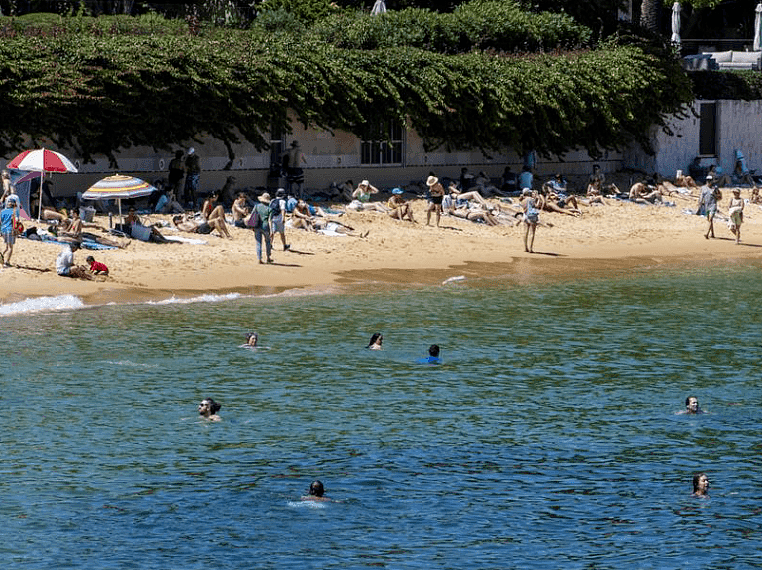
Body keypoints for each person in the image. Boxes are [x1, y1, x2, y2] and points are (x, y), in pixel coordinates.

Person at [252, 192, 273, 264]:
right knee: (267, 242)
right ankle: (268, 257)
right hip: (266, 226)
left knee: (258, 242)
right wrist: (272, 231)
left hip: (257, 225)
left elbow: (252, 216)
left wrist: (252, 226)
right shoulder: (270, 209)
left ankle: (259, 259)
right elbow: (270, 220)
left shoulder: (257, 206)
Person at [1, 196, 18, 267]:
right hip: (10, 230)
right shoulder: (13, 212)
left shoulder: (2, 211)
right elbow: (15, 221)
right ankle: (7, 262)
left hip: (3, 230)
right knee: (10, 248)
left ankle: (1, 256)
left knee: (7, 247)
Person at [521, 188, 539, 253]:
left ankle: (525, 248)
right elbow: (536, 206)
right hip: (532, 216)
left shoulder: (523, 200)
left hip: (525, 216)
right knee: (532, 233)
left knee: (525, 232)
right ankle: (530, 248)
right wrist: (538, 199)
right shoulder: (531, 199)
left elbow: (524, 209)